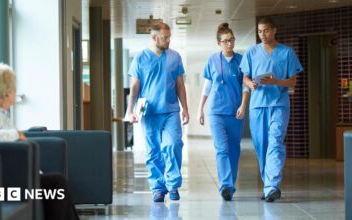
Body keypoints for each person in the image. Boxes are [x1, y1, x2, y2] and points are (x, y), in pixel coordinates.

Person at [0, 62, 79, 220]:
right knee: (57, 184)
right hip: (0, 187)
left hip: (5, 180)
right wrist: (16, 134)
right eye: (14, 90)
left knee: (54, 184)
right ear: (7, 93)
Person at [239, 17, 303, 202]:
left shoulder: (287, 52)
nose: (263, 35)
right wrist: (250, 83)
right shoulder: (251, 52)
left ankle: (272, 186)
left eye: (266, 30)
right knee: (262, 147)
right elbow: (245, 77)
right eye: (260, 31)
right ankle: (268, 185)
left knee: (275, 143)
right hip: (258, 106)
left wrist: (276, 81)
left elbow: (292, 82)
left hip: (279, 105)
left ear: (274, 30)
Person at [125, 22, 189, 202]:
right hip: (149, 112)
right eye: (165, 37)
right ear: (154, 38)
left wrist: (185, 108)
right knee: (153, 151)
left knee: (173, 144)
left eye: (169, 37)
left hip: (171, 110)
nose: (168, 40)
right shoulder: (140, 58)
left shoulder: (175, 57)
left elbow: (180, 85)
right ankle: (158, 188)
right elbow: (135, 87)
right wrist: (130, 111)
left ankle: (173, 183)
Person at [197, 23, 249, 201]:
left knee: (234, 150)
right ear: (219, 43)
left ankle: (230, 185)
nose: (229, 44)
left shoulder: (241, 60)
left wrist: (243, 105)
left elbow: (246, 86)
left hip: (236, 113)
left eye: (232, 40)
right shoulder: (212, 60)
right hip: (216, 112)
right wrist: (200, 109)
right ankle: (225, 185)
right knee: (222, 150)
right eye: (225, 41)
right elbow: (207, 86)